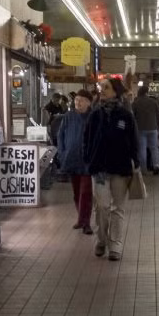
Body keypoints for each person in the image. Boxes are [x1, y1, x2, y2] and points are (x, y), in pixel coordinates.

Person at [84, 77, 137, 262]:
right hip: (99, 168)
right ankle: (101, 240)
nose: (102, 90)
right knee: (102, 207)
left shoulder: (125, 115)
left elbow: (133, 140)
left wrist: (136, 162)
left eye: (106, 87)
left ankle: (115, 245)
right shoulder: (95, 115)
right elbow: (87, 139)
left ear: (116, 91)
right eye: (101, 87)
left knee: (118, 209)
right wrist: (88, 160)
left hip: (120, 168)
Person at [58, 89, 94, 234]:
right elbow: (60, 135)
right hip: (71, 158)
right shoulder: (68, 116)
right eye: (76, 100)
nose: (78, 102)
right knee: (77, 191)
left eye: (82, 100)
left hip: (87, 161)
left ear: (89, 102)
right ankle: (81, 219)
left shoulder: (93, 117)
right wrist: (62, 152)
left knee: (86, 192)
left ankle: (85, 223)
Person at [132, 85, 159, 174]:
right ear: (147, 92)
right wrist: (157, 127)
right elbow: (158, 116)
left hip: (141, 128)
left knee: (142, 149)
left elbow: (132, 116)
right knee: (154, 148)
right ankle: (156, 165)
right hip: (153, 128)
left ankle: (143, 169)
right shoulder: (153, 102)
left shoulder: (136, 102)